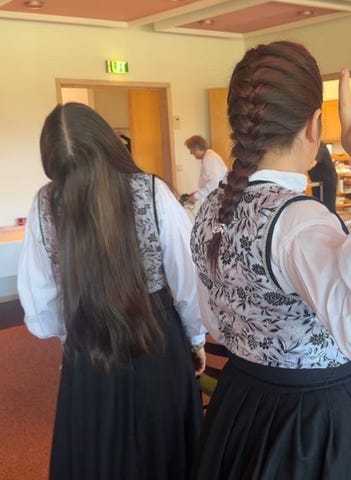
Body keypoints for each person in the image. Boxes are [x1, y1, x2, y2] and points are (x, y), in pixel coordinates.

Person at [189, 41, 351, 479]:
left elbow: (214, 318)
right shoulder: (299, 222)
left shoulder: (210, 206)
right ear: (314, 125)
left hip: (241, 402)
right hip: (312, 423)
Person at [17, 102, 206, 480]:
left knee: (98, 454)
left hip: (87, 349)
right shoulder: (152, 191)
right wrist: (197, 337)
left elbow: (41, 306)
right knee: (164, 447)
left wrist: (69, 339)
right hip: (157, 339)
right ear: (107, 141)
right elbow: (189, 277)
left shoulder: (44, 204)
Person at [183, 135, 227, 205]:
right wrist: (196, 193)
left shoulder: (209, 158)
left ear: (196, 147)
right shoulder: (208, 156)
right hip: (217, 196)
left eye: (191, 149)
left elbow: (214, 183)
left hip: (218, 198)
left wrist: (196, 196)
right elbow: (209, 182)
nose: (191, 153)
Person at [308, 141, 338, 212]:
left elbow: (312, 163)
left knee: (328, 207)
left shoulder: (319, 145)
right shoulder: (307, 148)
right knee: (318, 206)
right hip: (316, 180)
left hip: (328, 180)